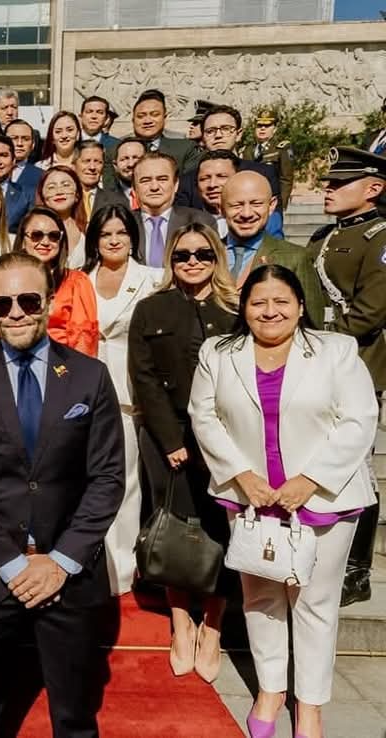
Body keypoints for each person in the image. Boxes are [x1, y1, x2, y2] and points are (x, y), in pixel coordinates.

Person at [0, 250, 124, 738]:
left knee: (75, 716)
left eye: (27, 299)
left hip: (69, 573)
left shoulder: (89, 376)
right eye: (3, 303)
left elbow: (106, 478)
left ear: (48, 302)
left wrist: (60, 561)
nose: (15, 311)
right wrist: (13, 563)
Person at [189, 265, 377, 738]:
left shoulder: (335, 350)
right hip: (251, 499)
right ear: (244, 307)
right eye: (258, 303)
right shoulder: (219, 352)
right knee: (261, 597)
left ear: (298, 305)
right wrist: (240, 474)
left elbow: (359, 419)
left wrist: (310, 479)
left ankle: (310, 704)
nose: (270, 311)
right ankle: (271, 690)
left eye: (281, 302)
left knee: (314, 602)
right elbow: (203, 415)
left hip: (322, 500)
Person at [128, 222, 238, 683]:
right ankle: (180, 622)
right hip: (167, 435)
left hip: (227, 439)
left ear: (216, 257)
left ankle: (212, 625)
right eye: (182, 256)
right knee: (171, 524)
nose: (192, 262)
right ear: (171, 261)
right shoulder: (152, 308)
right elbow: (144, 376)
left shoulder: (234, 311)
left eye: (202, 254)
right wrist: (171, 441)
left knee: (223, 530)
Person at [306, 146, 386, 607]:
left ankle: (357, 571)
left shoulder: (379, 237)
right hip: (318, 362)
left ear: (373, 188)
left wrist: (317, 344)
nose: (328, 189)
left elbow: (369, 313)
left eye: (339, 184)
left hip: (358, 366)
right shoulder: (324, 234)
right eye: (328, 182)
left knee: (356, 468)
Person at [81, 204, 163, 595]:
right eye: (105, 234)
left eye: (121, 233)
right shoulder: (79, 280)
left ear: (133, 237)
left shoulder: (153, 279)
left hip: (128, 393)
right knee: (87, 480)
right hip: (83, 392)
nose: (113, 240)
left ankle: (123, 568)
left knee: (126, 481)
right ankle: (91, 558)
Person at [221, 170, 323, 324]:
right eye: (237, 205)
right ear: (221, 209)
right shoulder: (203, 255)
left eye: (256, 204)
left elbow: (312, 324)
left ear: (272, 205)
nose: (246, 213)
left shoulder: (294, 257)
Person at [15, 207, 98, 357]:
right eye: (36, 235)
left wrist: (76, 376)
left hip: (61, 365)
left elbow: (82, 336)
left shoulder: (76, 282)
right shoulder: (10, 280)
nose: (45, 242)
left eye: (53, 236)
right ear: (22, 240)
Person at [176, 106, 283, 215]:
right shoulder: (186, 182)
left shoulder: (264, 174)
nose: (218, 135)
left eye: (226, 129)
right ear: (203, 137)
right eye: (210, 131)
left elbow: (274, 221)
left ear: (239, 134)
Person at [132, 152, 216, 268]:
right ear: (134, 188)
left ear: (176, 184)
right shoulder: (123, 224)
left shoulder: (200, 221)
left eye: (162, 179)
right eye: (145, 181)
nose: (154, 187)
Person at [198, 151, 285, 241]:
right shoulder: (189, 218)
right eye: (204, 178)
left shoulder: (265, 219)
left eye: (221, 176)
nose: (212, 185)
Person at [128, 89, 202, 173]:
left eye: (155, 115)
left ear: (164, 118)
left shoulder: (185, 149)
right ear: (133, 120)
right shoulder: (117, 150)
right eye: (141, 116)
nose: (148, 121)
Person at [35, 165, 88, 268]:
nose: (59, 192)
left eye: (66, 185)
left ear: (77, 194)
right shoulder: (33, 230)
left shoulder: (88, 229)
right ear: (42, 196)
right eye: (51, 187)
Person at [242, 111, 294, 210]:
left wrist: (281, 204)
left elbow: (286, 179)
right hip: (251, 202)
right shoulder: (248, 150)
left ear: (274, 129)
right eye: (259, 125)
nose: (262, 128)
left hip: (272, 201)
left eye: (267, 126)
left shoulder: (281, 149)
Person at [75, 140, 126, 214]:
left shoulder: (117, 201)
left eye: (98, 162)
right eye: (87, 161)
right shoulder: (64, 198)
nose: (92, 167)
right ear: (74, 164)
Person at [107, 137, 147, 209]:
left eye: (136, 158)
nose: (130, 164)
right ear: (115, 165)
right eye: (124, 159)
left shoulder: (160, 192)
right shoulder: (104, 197)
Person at [6, 119, 43, 194]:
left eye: (25, 139)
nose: (19, 143)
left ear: (33, 145)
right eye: (14, 138)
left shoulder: (41, 176)